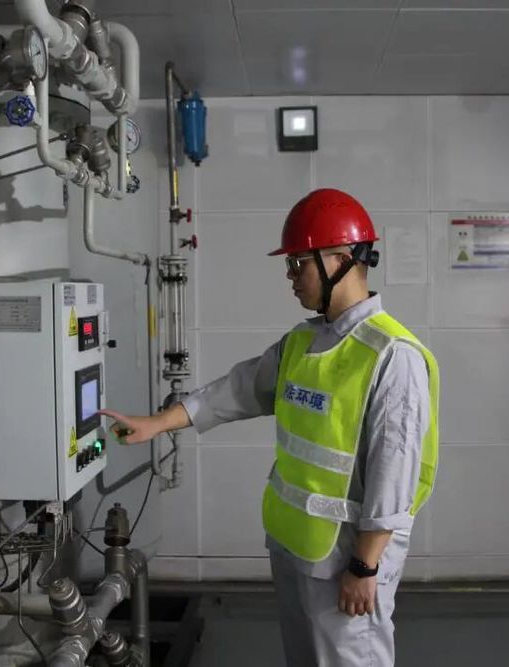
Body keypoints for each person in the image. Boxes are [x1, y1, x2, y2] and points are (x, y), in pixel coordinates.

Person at [101, 188, 440, 667]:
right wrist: (157, 423)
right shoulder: (303, 341)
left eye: (298, 263)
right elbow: (239, 389)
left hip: (348, 558)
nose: (290, 277)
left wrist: (365, 566)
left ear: (340, 259)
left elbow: (394, 472)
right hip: (296, 547)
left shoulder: (392, 355)